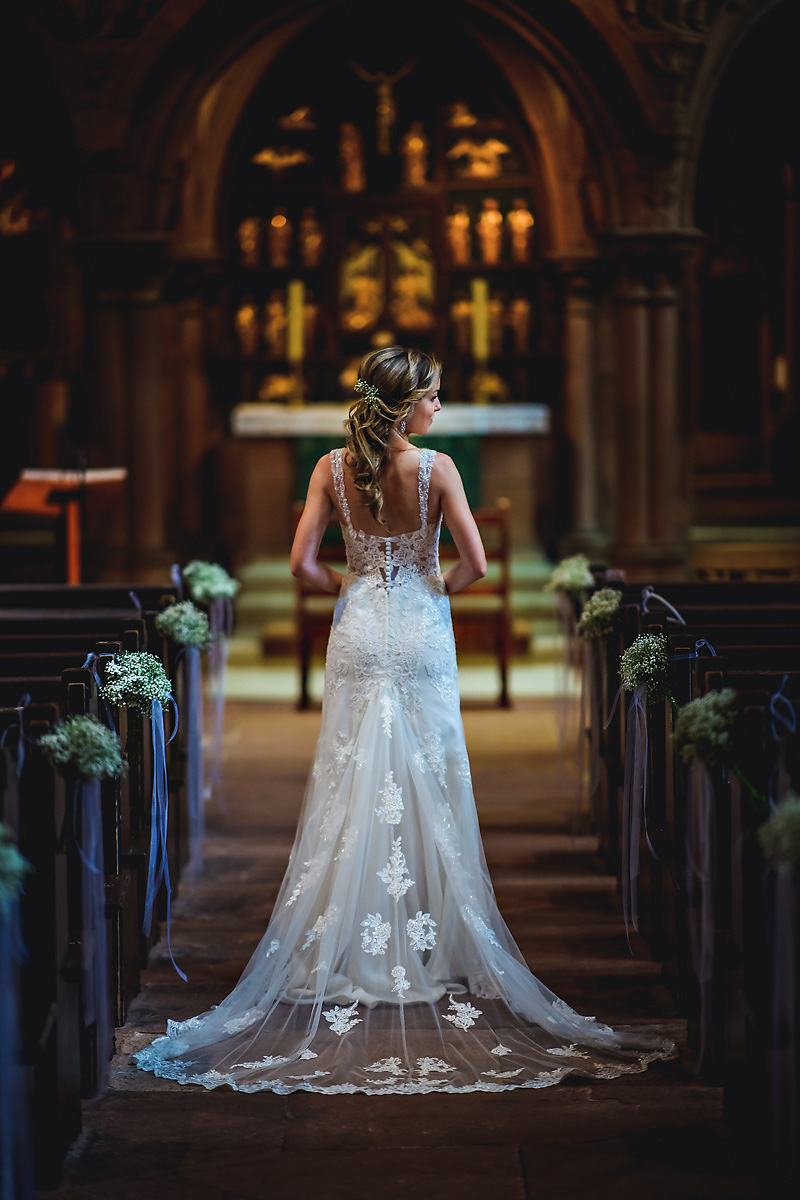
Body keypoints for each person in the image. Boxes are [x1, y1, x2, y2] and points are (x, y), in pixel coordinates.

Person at [135, 346, 675, 1095]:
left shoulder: (329, 468)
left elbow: (299, 562)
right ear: (408, 404)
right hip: (419, 627)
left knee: (350, 773)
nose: (441, 409)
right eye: (434, 397)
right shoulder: (439, 471)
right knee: (429, 769)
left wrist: (346, 586)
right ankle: (432, 937)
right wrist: (431, 589)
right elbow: (478, 565)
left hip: (360, 625)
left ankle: (345, 944)